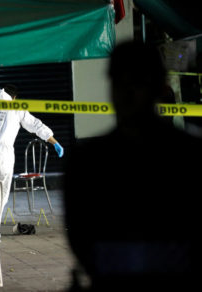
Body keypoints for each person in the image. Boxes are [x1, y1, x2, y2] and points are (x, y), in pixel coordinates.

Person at [64, 41, 202, 291]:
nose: (127, 92)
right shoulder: (87, 162)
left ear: (158, 87)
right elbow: (81, 238)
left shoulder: (190, 157)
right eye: (120, 82)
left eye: (137, 81)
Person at [0, 84, 64, 238]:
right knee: (0, 196)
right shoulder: (16, 108)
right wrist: (54, 142)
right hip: (3, 157)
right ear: (14, 98)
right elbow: (36, 125)